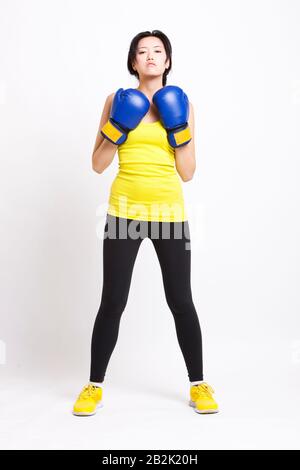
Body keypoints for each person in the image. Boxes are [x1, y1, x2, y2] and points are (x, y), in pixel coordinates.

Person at [72, 30, 219, 416]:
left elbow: (187, 173)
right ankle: (93, 386)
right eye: (142, 51)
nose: (150, 56)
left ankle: (199, 384)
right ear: (133, 62)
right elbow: (97, 163)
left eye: (158, 51)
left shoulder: (182, 104)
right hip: (124, 213)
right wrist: (116, 129)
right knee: (113, 301)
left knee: (180, 300)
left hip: (169, 214)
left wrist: (177, 130)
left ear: (168, 61)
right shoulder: (115, 101)